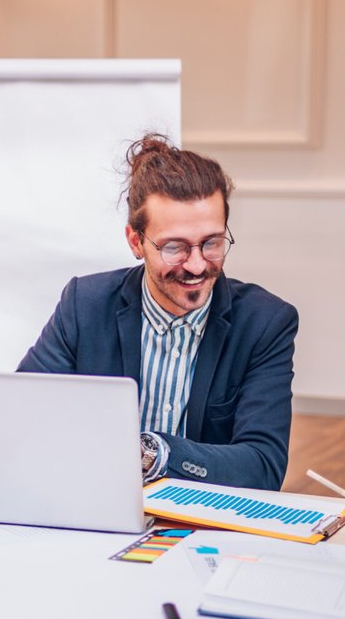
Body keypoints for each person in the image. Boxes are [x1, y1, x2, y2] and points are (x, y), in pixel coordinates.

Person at [18, 134, 297, 491]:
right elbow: (24, 420)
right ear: (136, 242)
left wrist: (158, 454)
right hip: (94, 506)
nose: (197, 265)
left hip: (204, 522)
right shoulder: (85, 305)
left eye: (212, 243)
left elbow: (261, 468)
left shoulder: (264, 323)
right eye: (174, 247)